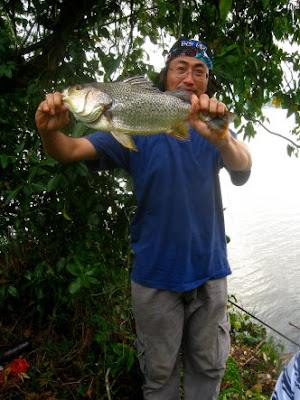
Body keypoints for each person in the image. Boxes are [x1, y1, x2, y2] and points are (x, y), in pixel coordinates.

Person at [35, 38, 252, 400]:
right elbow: (70, 150)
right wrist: (49, 132)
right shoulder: (129, 125)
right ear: (167, 74)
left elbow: (243, 166)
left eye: (199, 71)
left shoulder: (212, 131)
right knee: (159, 374)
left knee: (208, 368)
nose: (189, 77)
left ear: (207, 82)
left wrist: (224, 139)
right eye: (180, 67)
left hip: (209, 271)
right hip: (155, 275)